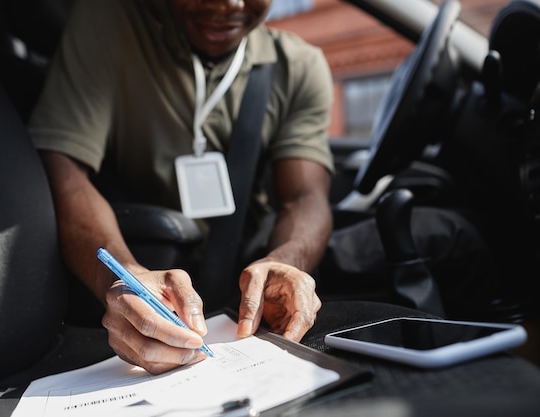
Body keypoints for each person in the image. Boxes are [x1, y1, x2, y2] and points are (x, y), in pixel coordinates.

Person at [29, 0, 334, 375]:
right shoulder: (108, 23)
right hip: (126, 285)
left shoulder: (299, 67)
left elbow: (306, 196)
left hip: (240, 304)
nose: (230, 5)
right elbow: (64, 170)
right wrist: (122, 277)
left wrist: (285, 260)